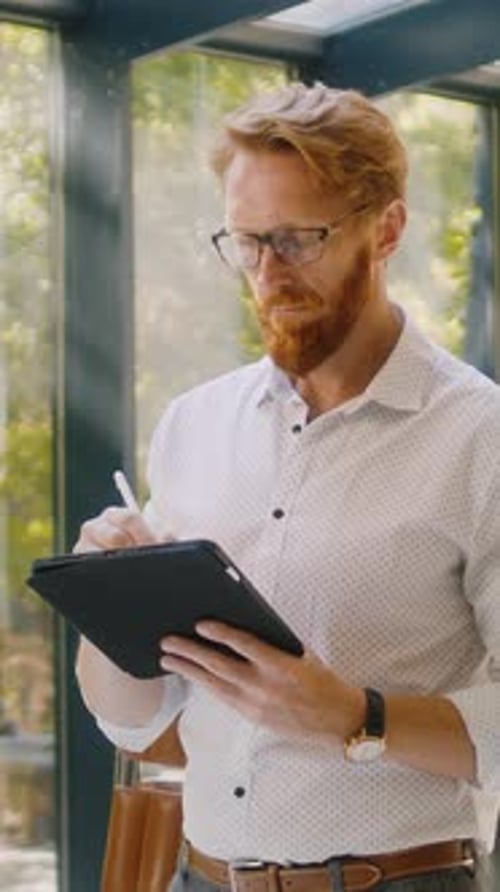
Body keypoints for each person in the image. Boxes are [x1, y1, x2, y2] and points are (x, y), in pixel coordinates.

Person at [75, 83, 500, 892]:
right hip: (197, 877)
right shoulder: (194, 424)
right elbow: (134, 718)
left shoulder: (480, 437)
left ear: (388, 229)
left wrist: (357, 717)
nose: (268, 273)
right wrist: (106, 600)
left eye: (299, 239)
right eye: (245, 241)